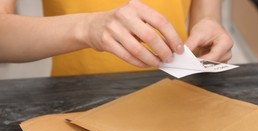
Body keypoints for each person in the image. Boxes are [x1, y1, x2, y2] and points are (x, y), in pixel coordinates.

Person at [0, 0, 233, 76]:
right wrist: (88, 27)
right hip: (81, 104)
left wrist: (208, 23)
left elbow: (205, 12)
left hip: (179, 95)